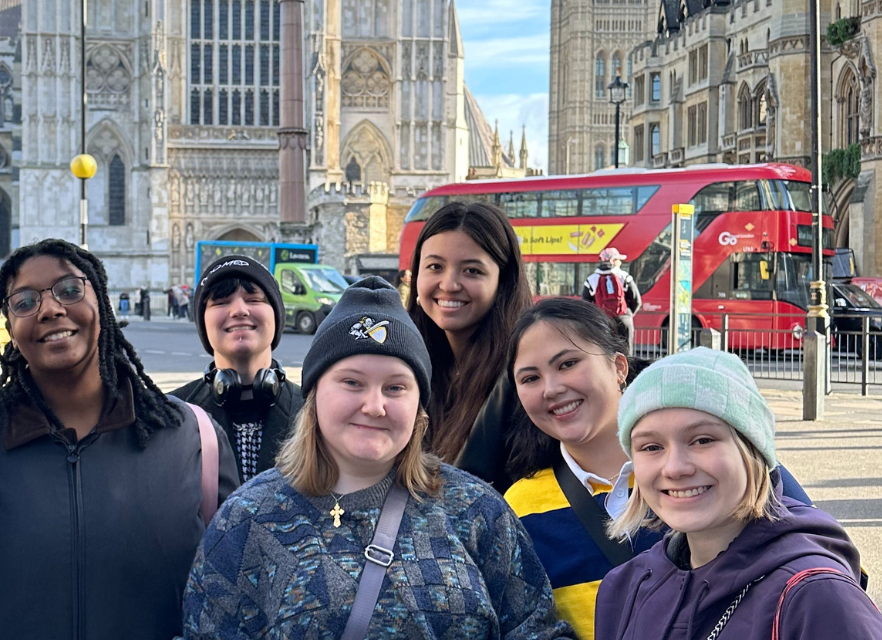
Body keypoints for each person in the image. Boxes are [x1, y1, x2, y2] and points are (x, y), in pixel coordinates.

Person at [182, 277, 573, 639]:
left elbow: (536, 629)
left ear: (420, 406)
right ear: (314, 396)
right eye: (352, 382)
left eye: (396, 387)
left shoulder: (477, 512)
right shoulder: (246, 521)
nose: (374, 406)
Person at [0, 238, 238, 640]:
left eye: (69, 290)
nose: (50, 309)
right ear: (9, 326)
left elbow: (232, 577)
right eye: (25, 302)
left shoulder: (193, 439)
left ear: (101, 301)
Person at [501, 298, 814, 640]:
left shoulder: (720, 474)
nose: (552, 388)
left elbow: (817, 571)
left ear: (619, 366)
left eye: (568, 364)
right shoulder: (518, 506)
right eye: (530, 378)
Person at [597, 348, 882, 640]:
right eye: (651, 447)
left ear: (752, 449)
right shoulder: (625, 588)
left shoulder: (816, 598)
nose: (674, 468)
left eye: (702, 440)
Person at [405, 201, 533, 464]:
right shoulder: (408, 363)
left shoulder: (523, 373)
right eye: (435, 267)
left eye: (472, 271)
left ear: (503, 283)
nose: (449, 284)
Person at [174, 255, 303, 484]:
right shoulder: (173, 416)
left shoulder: (312, 412)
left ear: (276, 314)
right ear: (203, 322)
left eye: (253, 299)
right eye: (221, 302)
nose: (239, 310)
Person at [581, 247, 641, 352]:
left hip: (602, 320)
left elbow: (585, 303)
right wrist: (628, 314)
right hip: (623, 319)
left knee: (606, 353)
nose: (620, 262)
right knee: (626, 353)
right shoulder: (624, 277)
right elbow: (637, 301)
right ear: (613, 261)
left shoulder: (592, 279)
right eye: (618, 260)